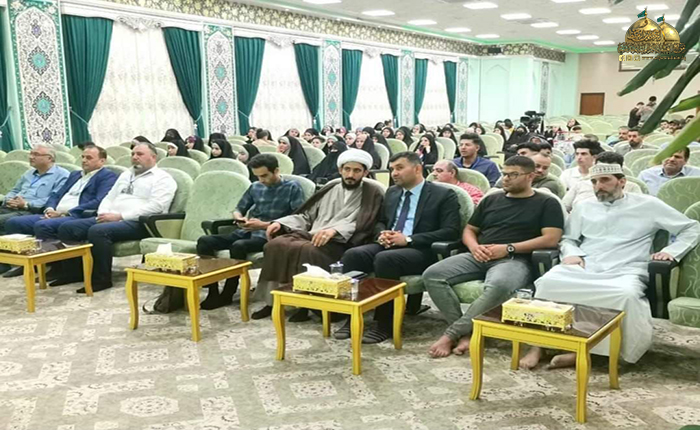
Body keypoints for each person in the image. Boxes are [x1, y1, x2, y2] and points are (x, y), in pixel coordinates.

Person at [520, 163, 700, 369]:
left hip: (627, 267)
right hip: (586, 264)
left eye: (605, 180)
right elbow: (568, 239)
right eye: (594, 182)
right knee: (547, 284)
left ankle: (587, 350)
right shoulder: (584, 207)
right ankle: (539, 346)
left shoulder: (649, 205)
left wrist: (671, 252)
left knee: (624, 295)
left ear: (622, 182)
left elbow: (691, 228)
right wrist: (572, 253)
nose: (599, 186)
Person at [424, 156, 564, 358]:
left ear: (530, 176)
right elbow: (469, 230)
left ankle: (452, 334)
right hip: (479, 254)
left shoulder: (546, 202)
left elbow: (551, 238)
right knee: (432, 275)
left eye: (513, 175)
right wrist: (474, 247)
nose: (505, 178)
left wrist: (508, 248)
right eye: (504, 174)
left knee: (499, 286)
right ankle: (467, 332)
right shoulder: (492, 199)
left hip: (514, 259)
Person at [337, 152, 461, 343]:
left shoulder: (443, 195)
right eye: (392, 169)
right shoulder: (392, 192)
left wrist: (409, 239)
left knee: (386, 259)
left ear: (417, 169)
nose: (394, 173)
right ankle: (351, 315)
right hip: (389, 244)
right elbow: (381, 221)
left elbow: (451, 231)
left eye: (399, 168)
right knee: (353, 255)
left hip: (422, 250)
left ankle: (384, 323)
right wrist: (382, 234)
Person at [251, 149, 384, 320]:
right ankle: (273, 301)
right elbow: (307, 216)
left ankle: (307, 305)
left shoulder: (373, 192)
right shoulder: (331, 187)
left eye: (357, 170)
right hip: (314, 234)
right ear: (340, 169)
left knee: (309, 251)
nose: (351, 175)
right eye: (347, 169)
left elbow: (366, 222)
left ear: (365, 172)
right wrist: (280, 223)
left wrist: (334, 230)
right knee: (275, 245)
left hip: (342, 241)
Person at [53, 143, 177, 292]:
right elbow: (109, 197)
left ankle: (101, 279)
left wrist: (120, 216)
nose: (134, 157)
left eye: (139, 154)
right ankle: (74, 273)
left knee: (98, 231)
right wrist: (103, 213)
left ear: (153, 157)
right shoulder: (126, 174)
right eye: (133, 154)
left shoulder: (163, 178)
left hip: (140, 222)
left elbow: (156, 207)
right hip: (111, 218)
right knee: (67, 228)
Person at [196, 154, 305, 309]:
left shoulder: (292, 188)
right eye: (257, 176)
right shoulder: (255, 187)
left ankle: (228, 292)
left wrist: (264, 225)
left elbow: (298, 219)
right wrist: (239, 217)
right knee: (205, 241)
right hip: (246, 231)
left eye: (264, 176)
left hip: (270, 235)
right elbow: (239, 208)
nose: (261, 180)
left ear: (276, 171)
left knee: (239, 246)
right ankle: (212, 291)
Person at [1, 145, 118, 278]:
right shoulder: (75, 175)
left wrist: (65, 213)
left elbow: (98, 200)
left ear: (102, 161)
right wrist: (50, 208)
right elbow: (56, 195)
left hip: (77, 215)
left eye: (89, 158)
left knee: (43, 225)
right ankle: (26, 264)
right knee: (14, 223)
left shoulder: (107, 176)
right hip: (55, 213)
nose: (84, 160)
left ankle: (55, 267)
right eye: (83, 157)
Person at [0, 143, 69, 234]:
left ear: (50, 158)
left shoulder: (62, 175)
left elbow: (54, 198)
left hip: (32, 210)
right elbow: (15, 190)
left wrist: (26, 204)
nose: (31, 157)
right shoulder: (28, 173)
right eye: (31, 154)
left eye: (36, 154)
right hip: (12, 207)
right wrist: (9, 200)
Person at [563, 151, 642, 212]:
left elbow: (638, 210)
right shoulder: (580, 184)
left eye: (606, 178)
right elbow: (564, 208)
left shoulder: (632, 187)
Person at [495, 153, 562, 196]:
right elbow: (493, 192)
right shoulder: (510, 176)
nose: (540, 170)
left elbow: (540, 196)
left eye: (545, 168)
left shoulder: (551, 182)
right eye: (537, 166)